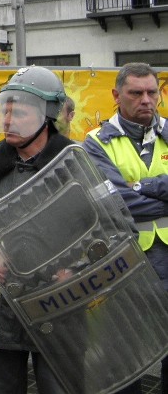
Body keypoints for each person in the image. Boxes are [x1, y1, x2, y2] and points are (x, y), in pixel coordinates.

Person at [0, 66, 73, 393]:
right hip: (1, 316)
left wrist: (75, 270)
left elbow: (106, 228)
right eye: (5, 110)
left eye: (18, 112)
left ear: (47, 116)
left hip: (61, 312)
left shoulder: (75, 167)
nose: (7, 120)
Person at [83, 62, 167, 393]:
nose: (146, 100)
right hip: (124, 263)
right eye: (136, 93)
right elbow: (115, 203)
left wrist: (138, 187)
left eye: (152, 92)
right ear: (117, 96)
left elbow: (127, 196)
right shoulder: (95, 142)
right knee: (124, 357)